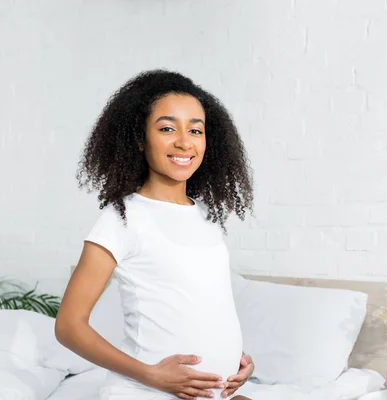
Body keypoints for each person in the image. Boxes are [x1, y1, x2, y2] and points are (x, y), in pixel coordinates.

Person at [55, 69, 255, 400]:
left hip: (212, 394)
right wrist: (152, 375)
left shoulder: (206, 216)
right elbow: (69, 326)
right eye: (166, 128)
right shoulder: (121, 218)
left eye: (195, 129)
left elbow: (200, 306)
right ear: (139, 138)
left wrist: (237, 360)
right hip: (146, 391)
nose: (184, 142)